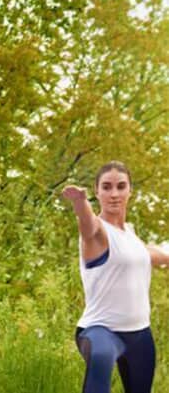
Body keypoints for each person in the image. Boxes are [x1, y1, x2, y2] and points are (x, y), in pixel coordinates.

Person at [62, 161, 169, 393]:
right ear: (97, 191)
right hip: (101, 331)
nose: (114, 194)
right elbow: (88, 227)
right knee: (100, 357)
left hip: (140, 334)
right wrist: (80, 203)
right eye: (107, 187)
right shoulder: (97, 233)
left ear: (130, 190)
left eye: (121, 187)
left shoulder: (130, 235)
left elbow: (150, 255)